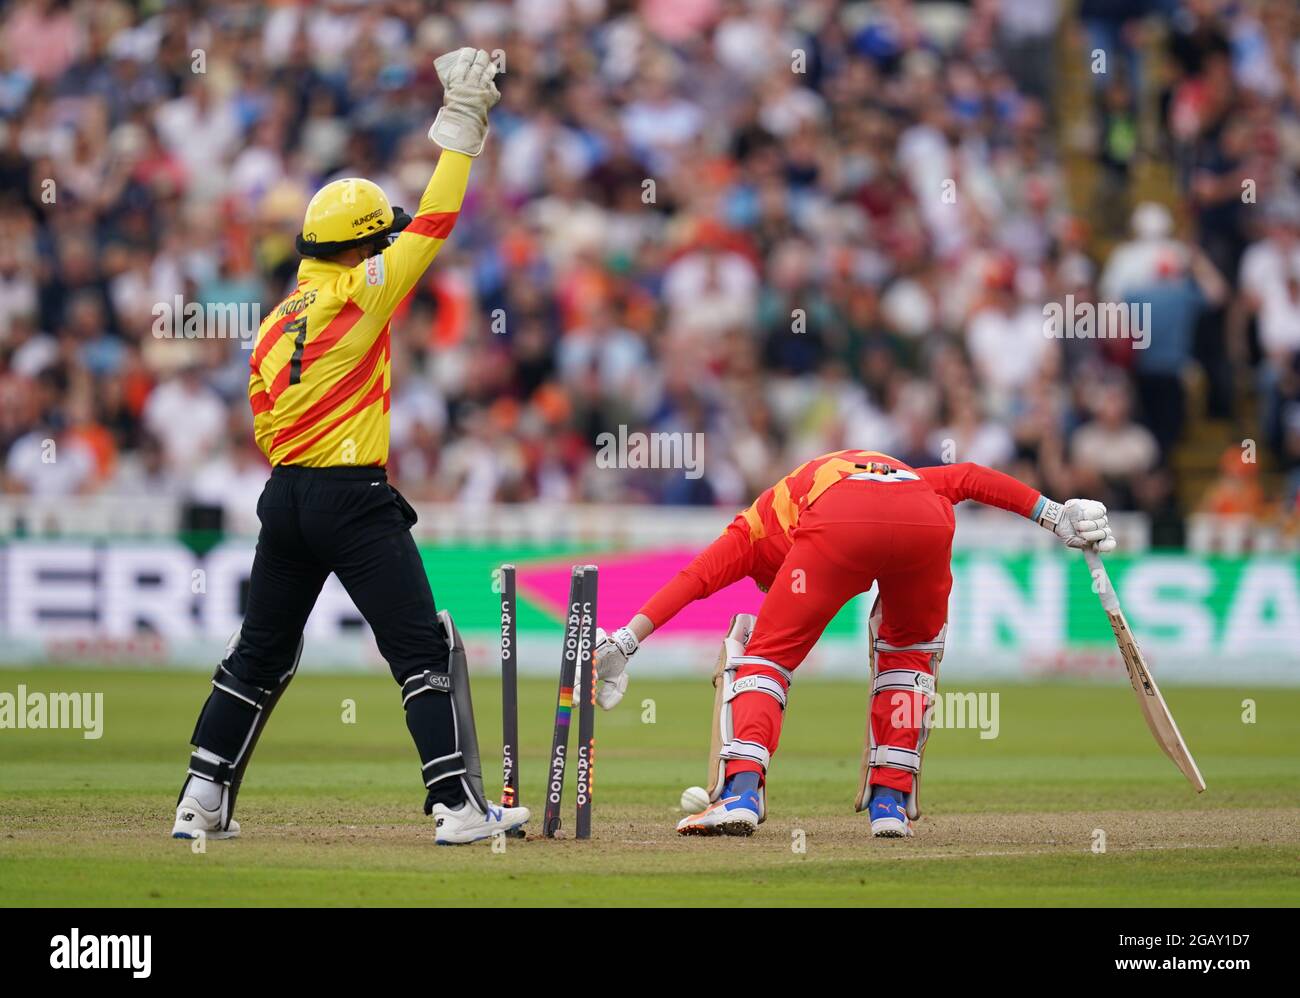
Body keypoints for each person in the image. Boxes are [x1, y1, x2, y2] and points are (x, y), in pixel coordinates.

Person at [170, 49, 527, 846]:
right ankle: (456, 809)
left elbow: (263, 423)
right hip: (353, 500)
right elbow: (435, 220)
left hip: (286, 498)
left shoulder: (270, 324)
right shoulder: (365, 292)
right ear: (363, 246)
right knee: (419, 650)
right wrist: (463, 125)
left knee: (258, 654)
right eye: (380, 240)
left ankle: (201, 799)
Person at [592, 449, 1115, 838]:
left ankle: (740, 795)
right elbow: (970, 478)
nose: (768, 586)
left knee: (762, 655)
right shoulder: (901, 473)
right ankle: (889, 807)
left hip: (839, 523)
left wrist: (625, 642)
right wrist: (1054, 515)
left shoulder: (751, 529)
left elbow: (694, 578)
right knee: (908, 660)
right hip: (925, 522)